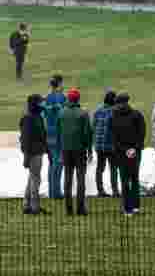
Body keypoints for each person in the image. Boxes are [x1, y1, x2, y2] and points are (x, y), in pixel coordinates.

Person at [110, 93, 145, 216]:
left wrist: (124, 149)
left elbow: (114, 138)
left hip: (121, 153)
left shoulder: (114, 117)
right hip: (135, 152)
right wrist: (134, 149)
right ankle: (136, 206)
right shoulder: (137, 115)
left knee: (124, 180)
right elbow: (141, 134)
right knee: (134, 178)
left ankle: (127, 208)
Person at [59, 88, 93, 216]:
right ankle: (80, 208)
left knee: (67, 179)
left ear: (68, 99)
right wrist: (89, 149)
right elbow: (87, 134)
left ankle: (68, 209)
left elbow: (59, 132)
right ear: (78, 99)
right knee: (80, 179)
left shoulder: (61, 113)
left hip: (65, 149)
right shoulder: (83, 113)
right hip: (79, 150)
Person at [19, 94, 48, 215]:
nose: (43, 104)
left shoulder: (37, 116)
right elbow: (25, 139)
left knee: (32, 177)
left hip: (38, 152)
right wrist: (26, 156)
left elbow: (42, 135)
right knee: (36, 179)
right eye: (41, 102)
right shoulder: (28, 118)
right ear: (35, 104)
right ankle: (34, 207)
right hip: (32, 153)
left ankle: (26, 205)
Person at [92, 90, 120, 198]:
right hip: (110, 145)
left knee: (100, 168)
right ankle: (115, 191)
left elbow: (93, 126)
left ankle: (100, 190)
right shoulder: (114, 112)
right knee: (113, 168)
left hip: (99, 145)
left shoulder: (98, 110)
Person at [43, 75, 66, 199]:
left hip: (49, 133)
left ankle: (52, 191)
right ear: (59, 84)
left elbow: (43, 113)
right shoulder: (61, 97)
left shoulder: (46, 98)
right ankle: (57, 191)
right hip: (59, 133)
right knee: (59, 162)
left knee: (52, 163)